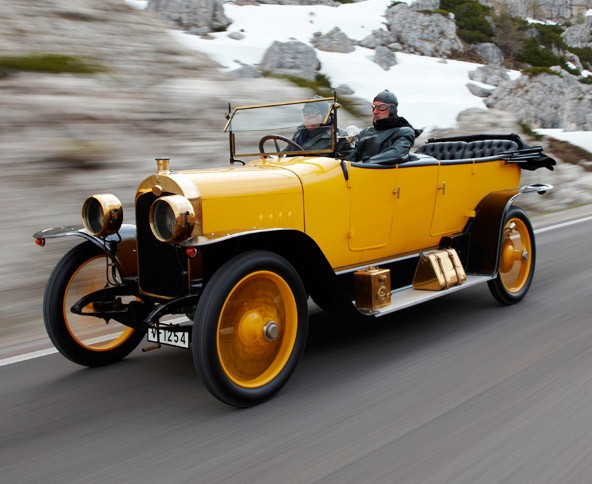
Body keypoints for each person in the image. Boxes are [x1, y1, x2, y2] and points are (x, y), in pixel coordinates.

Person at [347, 89, 420, 165]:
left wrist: (363, 164)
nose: (375, 112)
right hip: (359, 173)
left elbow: (397, 154)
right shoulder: (364, 132)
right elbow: (350, 159)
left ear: (392, 110)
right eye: (374, 107)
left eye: (381, 107)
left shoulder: (404, 132)